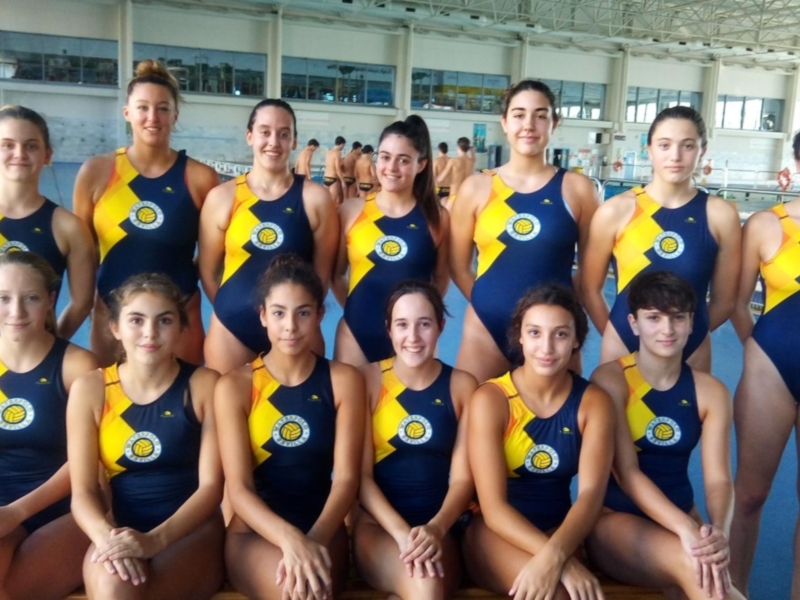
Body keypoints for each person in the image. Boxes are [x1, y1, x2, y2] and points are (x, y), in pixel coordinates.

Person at [67, 273, 224, 599]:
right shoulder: (91, 389)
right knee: (112, 583)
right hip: (120, 530)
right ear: (115, 328)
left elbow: (212, 488)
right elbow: (82, 492)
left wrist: (154, 541)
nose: (150, 332)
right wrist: (108, 538)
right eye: (136, 320)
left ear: (182, 328)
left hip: (191, 532)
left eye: (164, 320)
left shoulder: (205, 385)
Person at [216, 254, 364, 600]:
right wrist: (289, 540)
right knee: (296, 591)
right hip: (254, 534)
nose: (290, 327)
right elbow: (238, 489)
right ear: (263, 316)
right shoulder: (236, 386)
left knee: (310, 585)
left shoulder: (343, 381)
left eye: (303, 313)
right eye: (279, 313)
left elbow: (345, 479)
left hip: (323, 530)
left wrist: (311, 541)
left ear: (319, 316)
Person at [587, 271, 743, 600]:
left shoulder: (711, 392)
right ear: (634, 323)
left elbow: (718, 480)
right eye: (654, 318)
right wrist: (686, 530)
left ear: (691, 324)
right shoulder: (610, 380)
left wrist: (719, 531)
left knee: (705, 571)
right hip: (616, 520)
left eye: (677, 318)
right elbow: (626, 473)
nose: (667, 330)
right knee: (700, 572)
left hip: (683, 515)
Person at [463, 283, 614, 600]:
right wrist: (558, 560)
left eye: (559, 334)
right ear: (520, 336)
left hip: (558, 531)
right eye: (534, 333)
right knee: (557, 594)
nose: (546, 347)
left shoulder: (592, 402)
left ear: (576, 340)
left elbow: (589, 495)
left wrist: (556, 553)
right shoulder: (492, 399)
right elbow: (493, 508)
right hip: (493, 533)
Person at [449, 80, 599, 382]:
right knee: (473, 423)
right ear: (504, 122)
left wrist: (561, 316)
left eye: (540, 115)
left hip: (553, 337)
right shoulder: (477, 188)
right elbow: (458, 266)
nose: (528, 125)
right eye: (518, 114)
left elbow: (590, 271)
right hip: (486, 328)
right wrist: (488, 301)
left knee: (559, 426)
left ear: (554, 123)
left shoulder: (577, 189)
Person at [74, 59, 219, 366]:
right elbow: (84, 258)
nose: (153, 117)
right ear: (127, 113)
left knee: (181, 409)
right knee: (114, 409)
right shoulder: (97, 173)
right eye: (142, 107)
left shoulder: (199, 179)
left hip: (178, 320)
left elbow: (211, 258)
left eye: (163, 108)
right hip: (112, 321)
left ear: (175, 115)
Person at [582, 106, 741, 372]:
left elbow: (725, 301)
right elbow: (589, 288)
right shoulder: (616, 211)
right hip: (624, 341)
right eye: (664, 145)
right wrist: (617, 331)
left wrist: (678, 337)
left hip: (691, 347)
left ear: (702, 150)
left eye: (687, 146)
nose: (675, 156)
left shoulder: (720, 215)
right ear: (649, 149)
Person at [354, 280, 477, 600]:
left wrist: (435, 529)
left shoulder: (462, 386)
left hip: (439, 528)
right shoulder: (367, 381)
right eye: (402, 325)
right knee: (422, 587)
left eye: (424, 324)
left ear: (440, 327)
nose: (412, 337)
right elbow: (361, 479)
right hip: (378, 529)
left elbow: (463, 479)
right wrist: (400, 534)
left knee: (425, 588)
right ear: (389, 330)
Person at [199, 99, 339, 374]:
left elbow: (322, 275)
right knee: (228, 413)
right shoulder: (223, 197)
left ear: (294, 140)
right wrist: (234, 307)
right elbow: (208, 270)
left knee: (299, 416)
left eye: (283, 133)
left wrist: (297, 317)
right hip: (232, 330)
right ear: (250, 136)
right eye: (265, 132)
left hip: (295, 332)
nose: (274, 141)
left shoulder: (315, 198)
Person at [0, 252, 97, 600]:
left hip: (63, 507)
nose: (16, 311)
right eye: (4, 298)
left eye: (31, 298)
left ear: (51, 301)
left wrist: (17, 512)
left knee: (10, 591)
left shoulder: (77, 367)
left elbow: (91, 463)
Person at [729, 131, 800, 598]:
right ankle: (732, 589)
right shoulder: (765, 224)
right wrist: (759, 349)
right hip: (771, 368)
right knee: (750, 494)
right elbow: (735, 302)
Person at [334, 116, 450, 367]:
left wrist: (418, 317)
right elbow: (335, 275)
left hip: (412, 340)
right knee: (352, 406)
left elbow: (441, 279)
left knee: (411, 408)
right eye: (385, 157)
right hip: (356, 333)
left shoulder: (436, 218)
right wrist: (358, 309)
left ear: (421, 165)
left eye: (403, 160)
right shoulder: (351, 211)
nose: (392, 167)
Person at [0, 105, 95, 339]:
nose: (20, 154)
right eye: (8, 145)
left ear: (47, 154)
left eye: (31, 146)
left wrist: (50, 348)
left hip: (34, 366)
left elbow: (82, 303)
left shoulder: (68, 227)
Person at [437, 137, 473, 210]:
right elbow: (473, 157)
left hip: (455, 196)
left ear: (458, 147)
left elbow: (440, 179)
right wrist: (472, 152)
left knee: (444, 218)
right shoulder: (471, 162)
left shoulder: (453, 161)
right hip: (467, 197)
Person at [324, 136, 346, 206]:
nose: (343, 147)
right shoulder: (337, 153)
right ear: (341, 144)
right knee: (333, 203)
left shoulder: (328, 152)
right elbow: (337, 168)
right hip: (333, 179)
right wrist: (342, 181)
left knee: (326, 201)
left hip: (326, 178)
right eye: (343, 145)